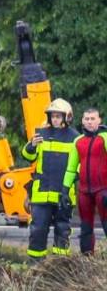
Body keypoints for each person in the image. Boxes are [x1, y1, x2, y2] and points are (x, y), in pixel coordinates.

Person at [22, 98, 79, 261]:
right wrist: (31, 145)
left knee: (62, 231)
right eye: (52, 116)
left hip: (64, 195)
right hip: (41, 194)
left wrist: (68, 187)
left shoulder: (75, 138)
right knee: (38, 230)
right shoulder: (41, 134)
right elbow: (28, 156)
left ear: (67, 117)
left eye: (58, 116)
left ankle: (60, 267)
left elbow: (79, 168)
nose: (54, 119)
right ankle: (35, 265)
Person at [74, 107, 107, 254]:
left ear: (99, 120)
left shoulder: (105, 137)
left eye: (93, 119)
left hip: (103, 189)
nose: (89, 122)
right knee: (85, 228)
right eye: (87, 119)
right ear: (82, 121)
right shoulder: (77, 141)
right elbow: (70, 168)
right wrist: (64, 188)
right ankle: (86, 261)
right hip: (84, 191)